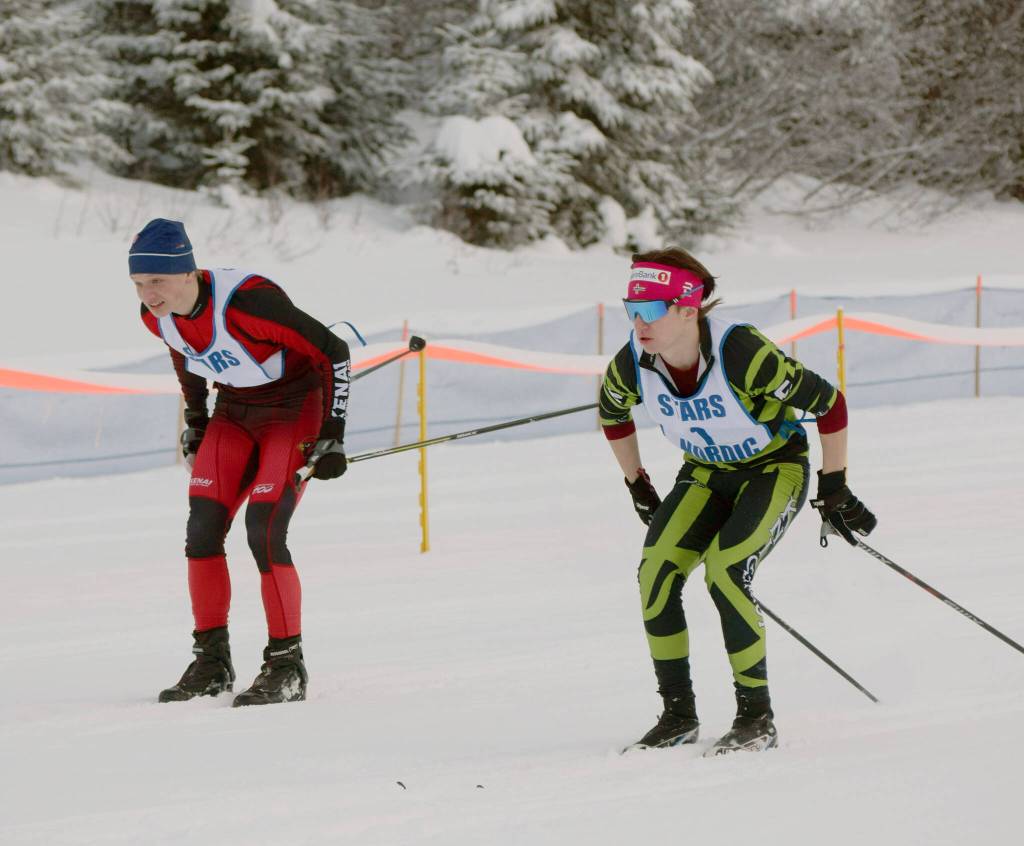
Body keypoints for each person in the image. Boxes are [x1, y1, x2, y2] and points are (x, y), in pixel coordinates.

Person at [600, 247, 877, 755]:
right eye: (631, 308)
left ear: (688, 308)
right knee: (655, 572)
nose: (640, 323)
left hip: (774, 468)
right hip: (705, 472)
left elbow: (829, 403)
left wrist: (833, 484)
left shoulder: (741, 352)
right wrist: (637, 484)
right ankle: (678, 716)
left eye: (653, 310)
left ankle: (756, 718)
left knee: (725, 571)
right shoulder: (633, 361)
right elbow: (612, 413)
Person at [130, 218, 351, 707]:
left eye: (158, 281)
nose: (149, 294)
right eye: (140, 283)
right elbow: (184, 355)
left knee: (264, 528)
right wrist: (196, 420)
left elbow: (334, 351)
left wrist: (333, 436)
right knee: (203, 528)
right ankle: (212, 662)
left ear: (188, 273)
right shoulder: (157, 315)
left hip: (294, 409)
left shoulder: (249, 304)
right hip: (234, 412)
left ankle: (286, 665)